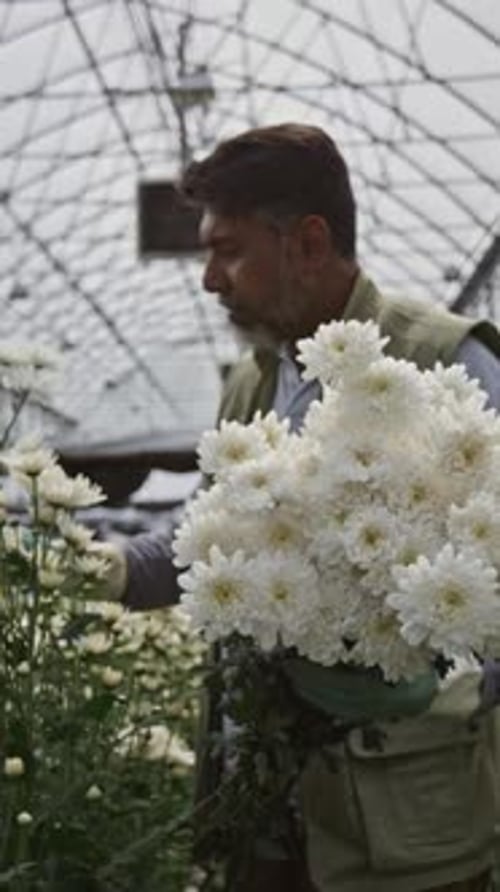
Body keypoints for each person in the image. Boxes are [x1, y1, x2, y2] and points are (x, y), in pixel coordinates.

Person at [101, 124, 500, 892]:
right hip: (265, 817)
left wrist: (451, 686)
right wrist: (103, 568)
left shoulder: (445, 360)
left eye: (228, 250)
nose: (211, 280)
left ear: (308, 242)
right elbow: (205, 538)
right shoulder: (251, 383)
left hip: (403, 829)